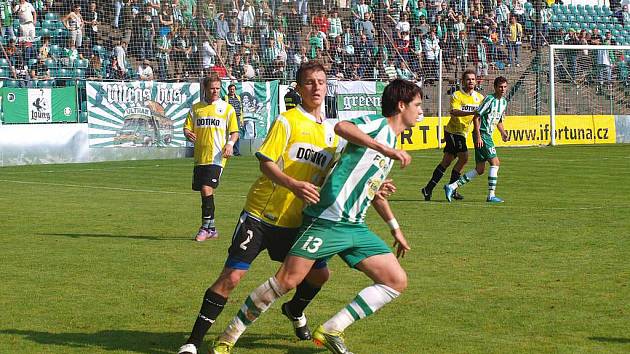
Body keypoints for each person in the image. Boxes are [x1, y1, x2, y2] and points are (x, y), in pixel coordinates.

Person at [210, 79, 421, 354]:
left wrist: (395, 228)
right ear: (401, 105)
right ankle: (227, 337)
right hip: (326, 220)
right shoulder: (378, 126)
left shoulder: (392, 142)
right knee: (286, 281)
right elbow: (342, 127)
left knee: (396, 281)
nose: (421, 112)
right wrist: (383, 149)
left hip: (354, 226)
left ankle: (332, 329)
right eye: (417, 105)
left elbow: (371, 192)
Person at [177, 62, 340, 354]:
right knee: (232, 277)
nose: (316, 87)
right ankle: (193, 342)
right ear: (299, 89)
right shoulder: (288, 121)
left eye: (321, 82)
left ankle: (294, 310)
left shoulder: (332, 134)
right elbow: (265, 162)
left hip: (297, 223)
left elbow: (335, 176)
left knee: (320, 275)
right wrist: (292, 184)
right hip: (261, 216)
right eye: (309, 82)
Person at [183, 72, 239, 243]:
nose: (215, 91)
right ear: (205, 89)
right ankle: (212, 228)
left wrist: (230, 144)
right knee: (204, 192)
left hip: (217, 156)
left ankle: (204, 228)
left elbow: (234, 132)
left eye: (217, 88)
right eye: (212, 88)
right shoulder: (196, 108)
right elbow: (187, 128)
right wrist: (187, 133)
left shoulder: (227, 108)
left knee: (206, 189)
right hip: (200, 156)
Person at [445, 76, 509, 203]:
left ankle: (451, 186)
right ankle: (491, 195)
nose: (502, 89)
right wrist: (478, 136)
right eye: (500, 87)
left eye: (505, 87)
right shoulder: (489, 99)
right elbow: (476, 116)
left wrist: (503, 133)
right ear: (495, 87)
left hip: (487, 135)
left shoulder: (503, 102)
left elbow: (499, 120)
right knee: (495, 163)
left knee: (480, 169)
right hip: (483, 134)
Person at [421, 69, 483, 201]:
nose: (470, 81)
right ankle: (452, 188)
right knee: (464, 158)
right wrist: (471, 112)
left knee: (447, 161)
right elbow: (454, 111)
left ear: (476, 81)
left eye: (473, 79)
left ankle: (428, 189)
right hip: (454, 131)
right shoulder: (457, 95)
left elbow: (481, 115)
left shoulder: (479, 97)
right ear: (463, 81)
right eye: (468, 79)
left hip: (463, 132)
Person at [223, 84, 242, 156]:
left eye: (233, 89)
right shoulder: (225, 97)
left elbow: (240, 108)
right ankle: (226, 150)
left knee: (236, 134)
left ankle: (236, 151)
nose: (232, 90)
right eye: (231, 89)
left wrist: (241, 119)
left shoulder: (238, 97)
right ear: (228, 90)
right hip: (229, 117)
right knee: (227, 134)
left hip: (237, 117)